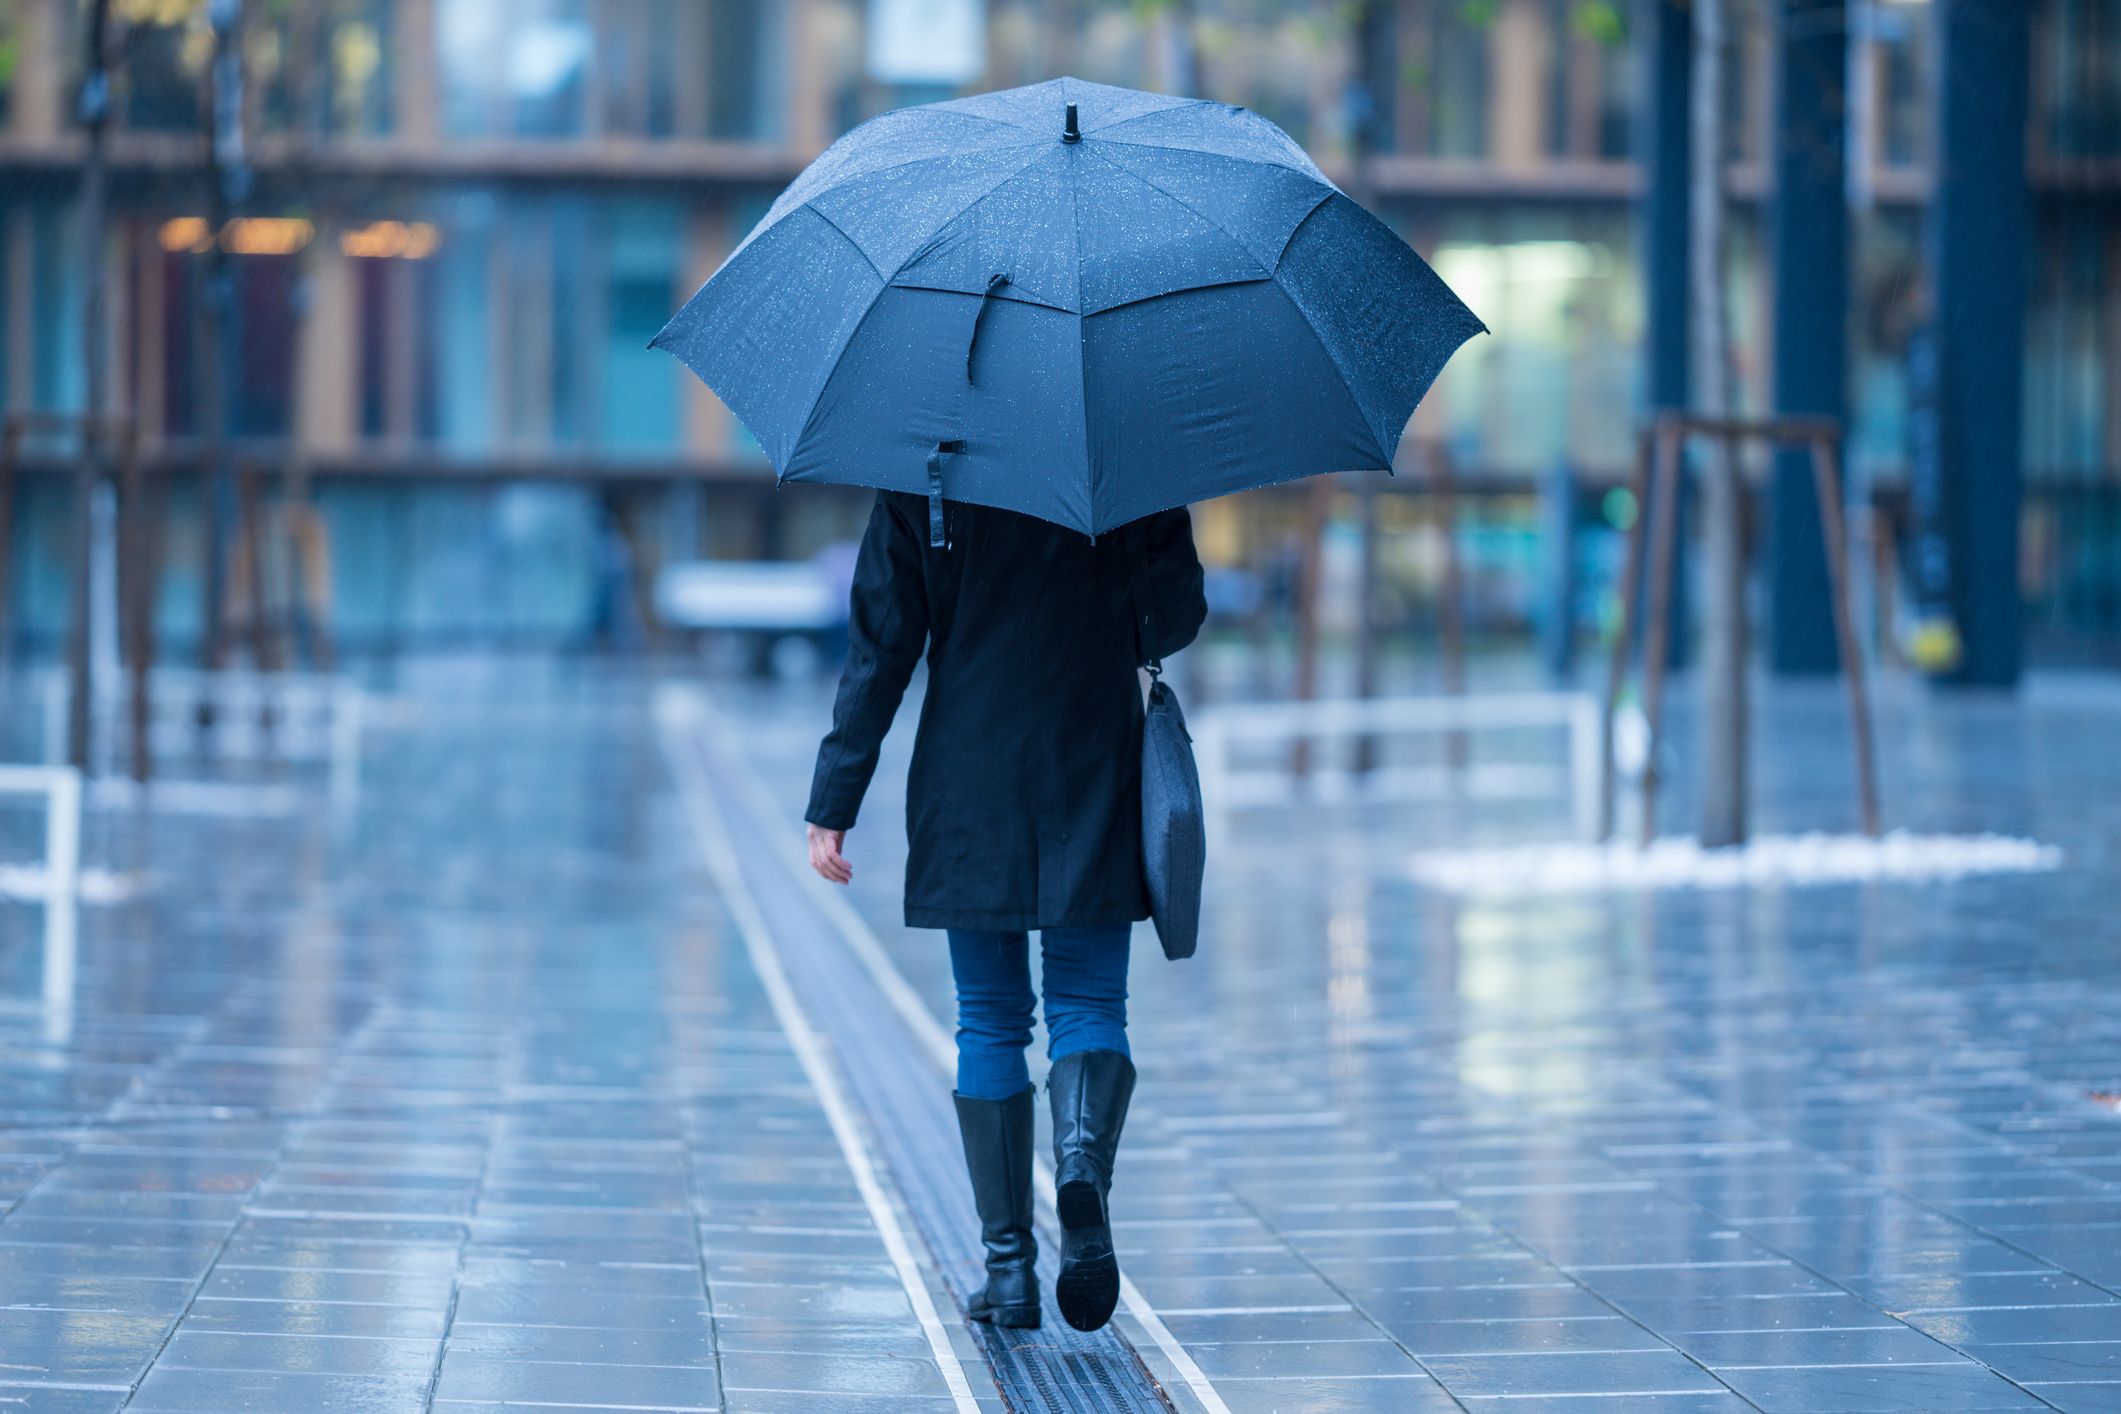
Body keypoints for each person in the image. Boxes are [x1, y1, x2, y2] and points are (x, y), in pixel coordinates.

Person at [804, 489, 1206, 1333]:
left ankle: (1008, 1270)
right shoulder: (1122, 462)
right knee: (1089, 1004)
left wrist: (834, 798)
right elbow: (1174, 619)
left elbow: (882, 647)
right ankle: (1080, 1165)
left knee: (988, 1018)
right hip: (1092, 760)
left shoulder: (920, 471)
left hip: (968, 771)